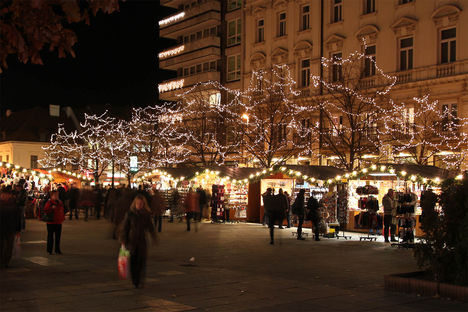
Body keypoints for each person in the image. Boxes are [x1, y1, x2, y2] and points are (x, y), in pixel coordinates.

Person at [119, 194, 156, 288]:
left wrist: (154, 237)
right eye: (138, 203)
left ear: (144, 204)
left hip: (142, 241)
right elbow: (125, 228)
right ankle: (135, 279)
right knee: (133, 262)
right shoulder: (130, 214)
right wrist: (123, 239)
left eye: (141, 204)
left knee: (141, 261)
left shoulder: (146, 214)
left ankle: (139, 279)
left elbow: (150, 227)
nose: (139, 205)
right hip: (131, 241)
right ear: (134, 204)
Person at [0, 189, 21, 268]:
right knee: (2, 245)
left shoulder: (14, 205)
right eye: (2, 195)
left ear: (9, 195)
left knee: (8, 246)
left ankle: (5, 261)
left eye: (5, 195)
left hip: (10, 228)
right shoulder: (14, 204)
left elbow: (17, 218)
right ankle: (2, 261)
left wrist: (18, 230)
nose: (3, 196)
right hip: (4, 227)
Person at [43, 190, 65, 255]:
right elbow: (45, 210)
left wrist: (62, 218)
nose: (56, 196)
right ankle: (49, 250)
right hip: (51, 222)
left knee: (58, 237)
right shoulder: (49, 202)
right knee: (50, 236)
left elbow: (62, 210)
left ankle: (57, 249)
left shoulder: (60, 202)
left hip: (58, 222)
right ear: (51, 196)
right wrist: (51, 208)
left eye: (57, 195)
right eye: (55, 195)